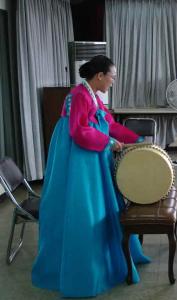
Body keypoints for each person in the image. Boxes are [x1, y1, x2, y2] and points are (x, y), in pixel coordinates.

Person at [32, 55, 150, 297]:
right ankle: (84, 272)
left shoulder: (93, 97)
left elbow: (110, 124)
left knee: (101, 205)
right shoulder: (78, 96)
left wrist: (136, 140)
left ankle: (110, 260)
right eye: (112, 77)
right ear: (99, 76)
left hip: (91, 154)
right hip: (77, 159)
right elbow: (77, 131)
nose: (113, 81)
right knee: (84, 209)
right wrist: (107, 141)